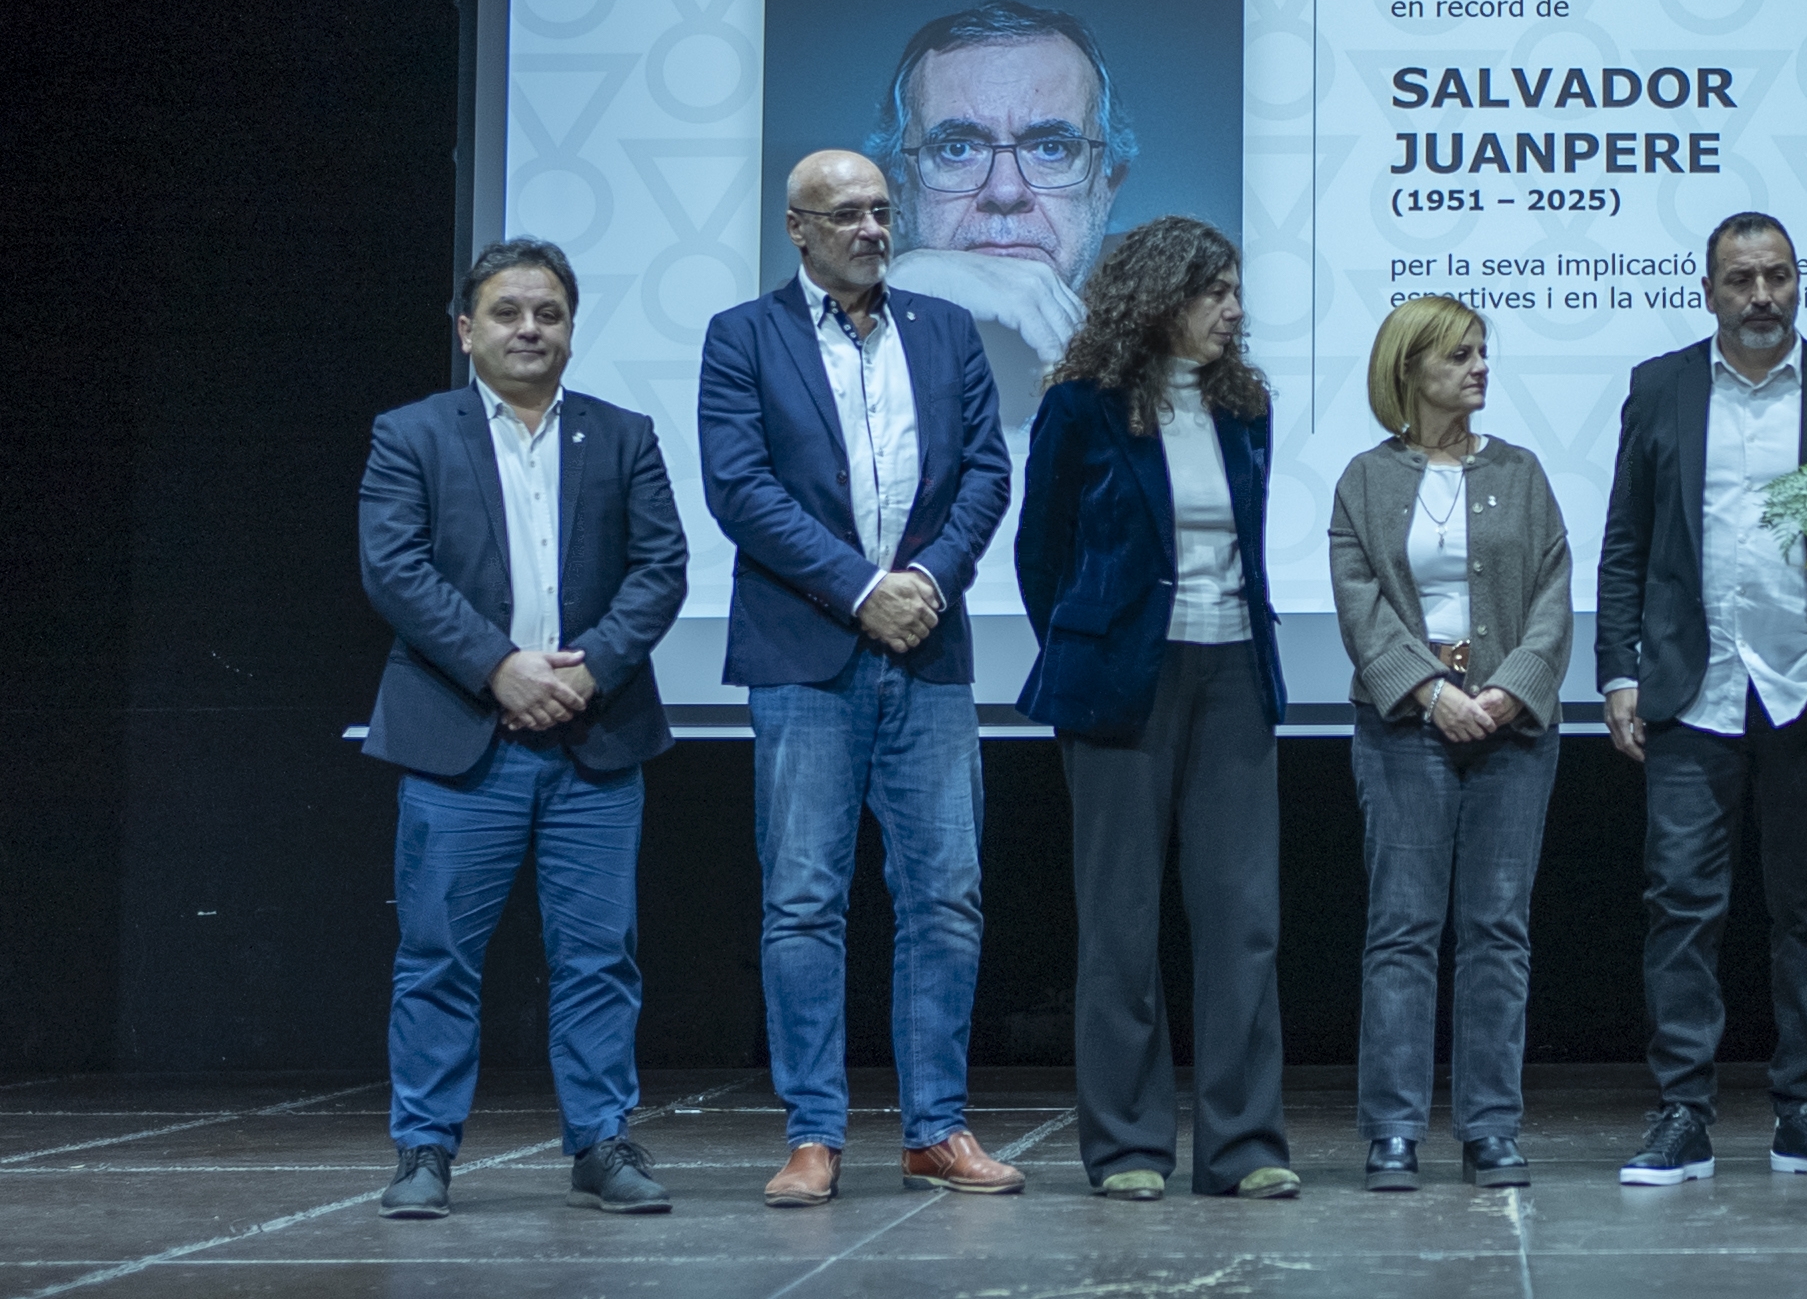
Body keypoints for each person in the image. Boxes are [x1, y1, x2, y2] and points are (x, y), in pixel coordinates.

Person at [697, 149, 1019, 1209]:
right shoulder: (744, 337)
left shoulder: (945, 330)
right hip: (806, 656)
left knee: (946, 898)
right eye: (847, 214)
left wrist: (924, 576)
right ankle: (813, 1134)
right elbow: (740, 489)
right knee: (801, 900)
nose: (873, 229)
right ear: (797, 227)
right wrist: (857, 589)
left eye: (882, 211)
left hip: (927, 650)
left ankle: (935, 1128)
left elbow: (984, 470)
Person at [359, 238, 689, 1221]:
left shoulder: (622, 435)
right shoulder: (411, 434)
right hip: (463, 741)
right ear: (468, 330)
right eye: (507, 312)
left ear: (571, 330)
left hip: (594, 739)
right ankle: (423, 1152)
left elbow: (661, 568)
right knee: (437, 957)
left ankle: (600, 1144)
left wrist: (585, 670)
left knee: (598, 957)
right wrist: (497, 667)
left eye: (547, 313)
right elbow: (395, 568)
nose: (529, 329)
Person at [1594, 211, 1807, 1186]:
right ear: (1708, 289)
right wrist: (1618, 671)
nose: (1761, 295)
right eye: (1740, 279)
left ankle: (1803, 1110)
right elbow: (1625, 547)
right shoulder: (1659, 387)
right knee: (1679, 907)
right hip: (1693, 688)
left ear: (1797, 282)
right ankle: (1680, 1114)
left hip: (1805, 685)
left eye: (1776, 276)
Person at [1014, 216, 1299, 1201]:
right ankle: (1128, 1145)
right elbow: (1040, 557)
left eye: (1233, 291)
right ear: (1156, 296)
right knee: (1121, 925)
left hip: (1231, 675)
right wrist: (1090, 647)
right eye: (1211, 290)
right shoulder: (1081, 406)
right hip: (1119, 684)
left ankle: (1243, 1143)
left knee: (1241, 920)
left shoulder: (1244, 406)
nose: (1231, 308)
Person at [1328, 298, 1574, 1193]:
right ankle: (1393, 1129)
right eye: (1459, 356)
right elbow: (1360, 603)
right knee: (1401, 929)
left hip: (1512, 731)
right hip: (1404, 731)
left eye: (1482, 353)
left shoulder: (1524, 470)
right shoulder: (1365, 479)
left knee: (1498, 931)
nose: (1478, 368)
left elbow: (1553, 591)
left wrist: (1508, 690)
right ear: (1410, 368)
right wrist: (1432, 694)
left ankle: (1490, 1129)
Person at [869, 0, 1137, 409]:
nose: (1006, 191)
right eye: (956, 149)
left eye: (1051, 147)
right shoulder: (803, 339)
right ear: (898, 194)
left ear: (1108, 188)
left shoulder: (1198, 342)